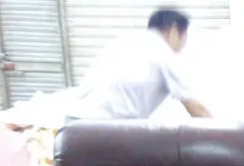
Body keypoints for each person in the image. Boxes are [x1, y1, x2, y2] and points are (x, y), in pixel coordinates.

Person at [69, 8, 212, 120]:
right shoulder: (163, 51)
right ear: (174, 31)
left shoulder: (123, 41)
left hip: (72, 122)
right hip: (101, 128)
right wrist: (222, 137)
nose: (184, 44)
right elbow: (196, 108)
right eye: (185, 36)